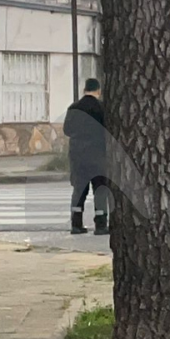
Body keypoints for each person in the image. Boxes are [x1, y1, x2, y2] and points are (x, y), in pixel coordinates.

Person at [64, 78, 110, 235]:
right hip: (98, 155)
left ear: (85, 90)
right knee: (100, 190)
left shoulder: (74, 107)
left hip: (78, 156)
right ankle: (101, 225)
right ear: (98, 91)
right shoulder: (102, 108)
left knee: (79, 190)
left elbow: (67, 130)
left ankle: (76, 224)